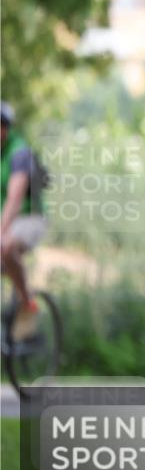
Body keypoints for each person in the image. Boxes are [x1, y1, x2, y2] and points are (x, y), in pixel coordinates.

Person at [1, 102, 48, 340]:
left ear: (6, 128)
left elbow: (14, 199)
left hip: (28, 218)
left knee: (5, 246)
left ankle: (27, 302)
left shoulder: (19, 152)